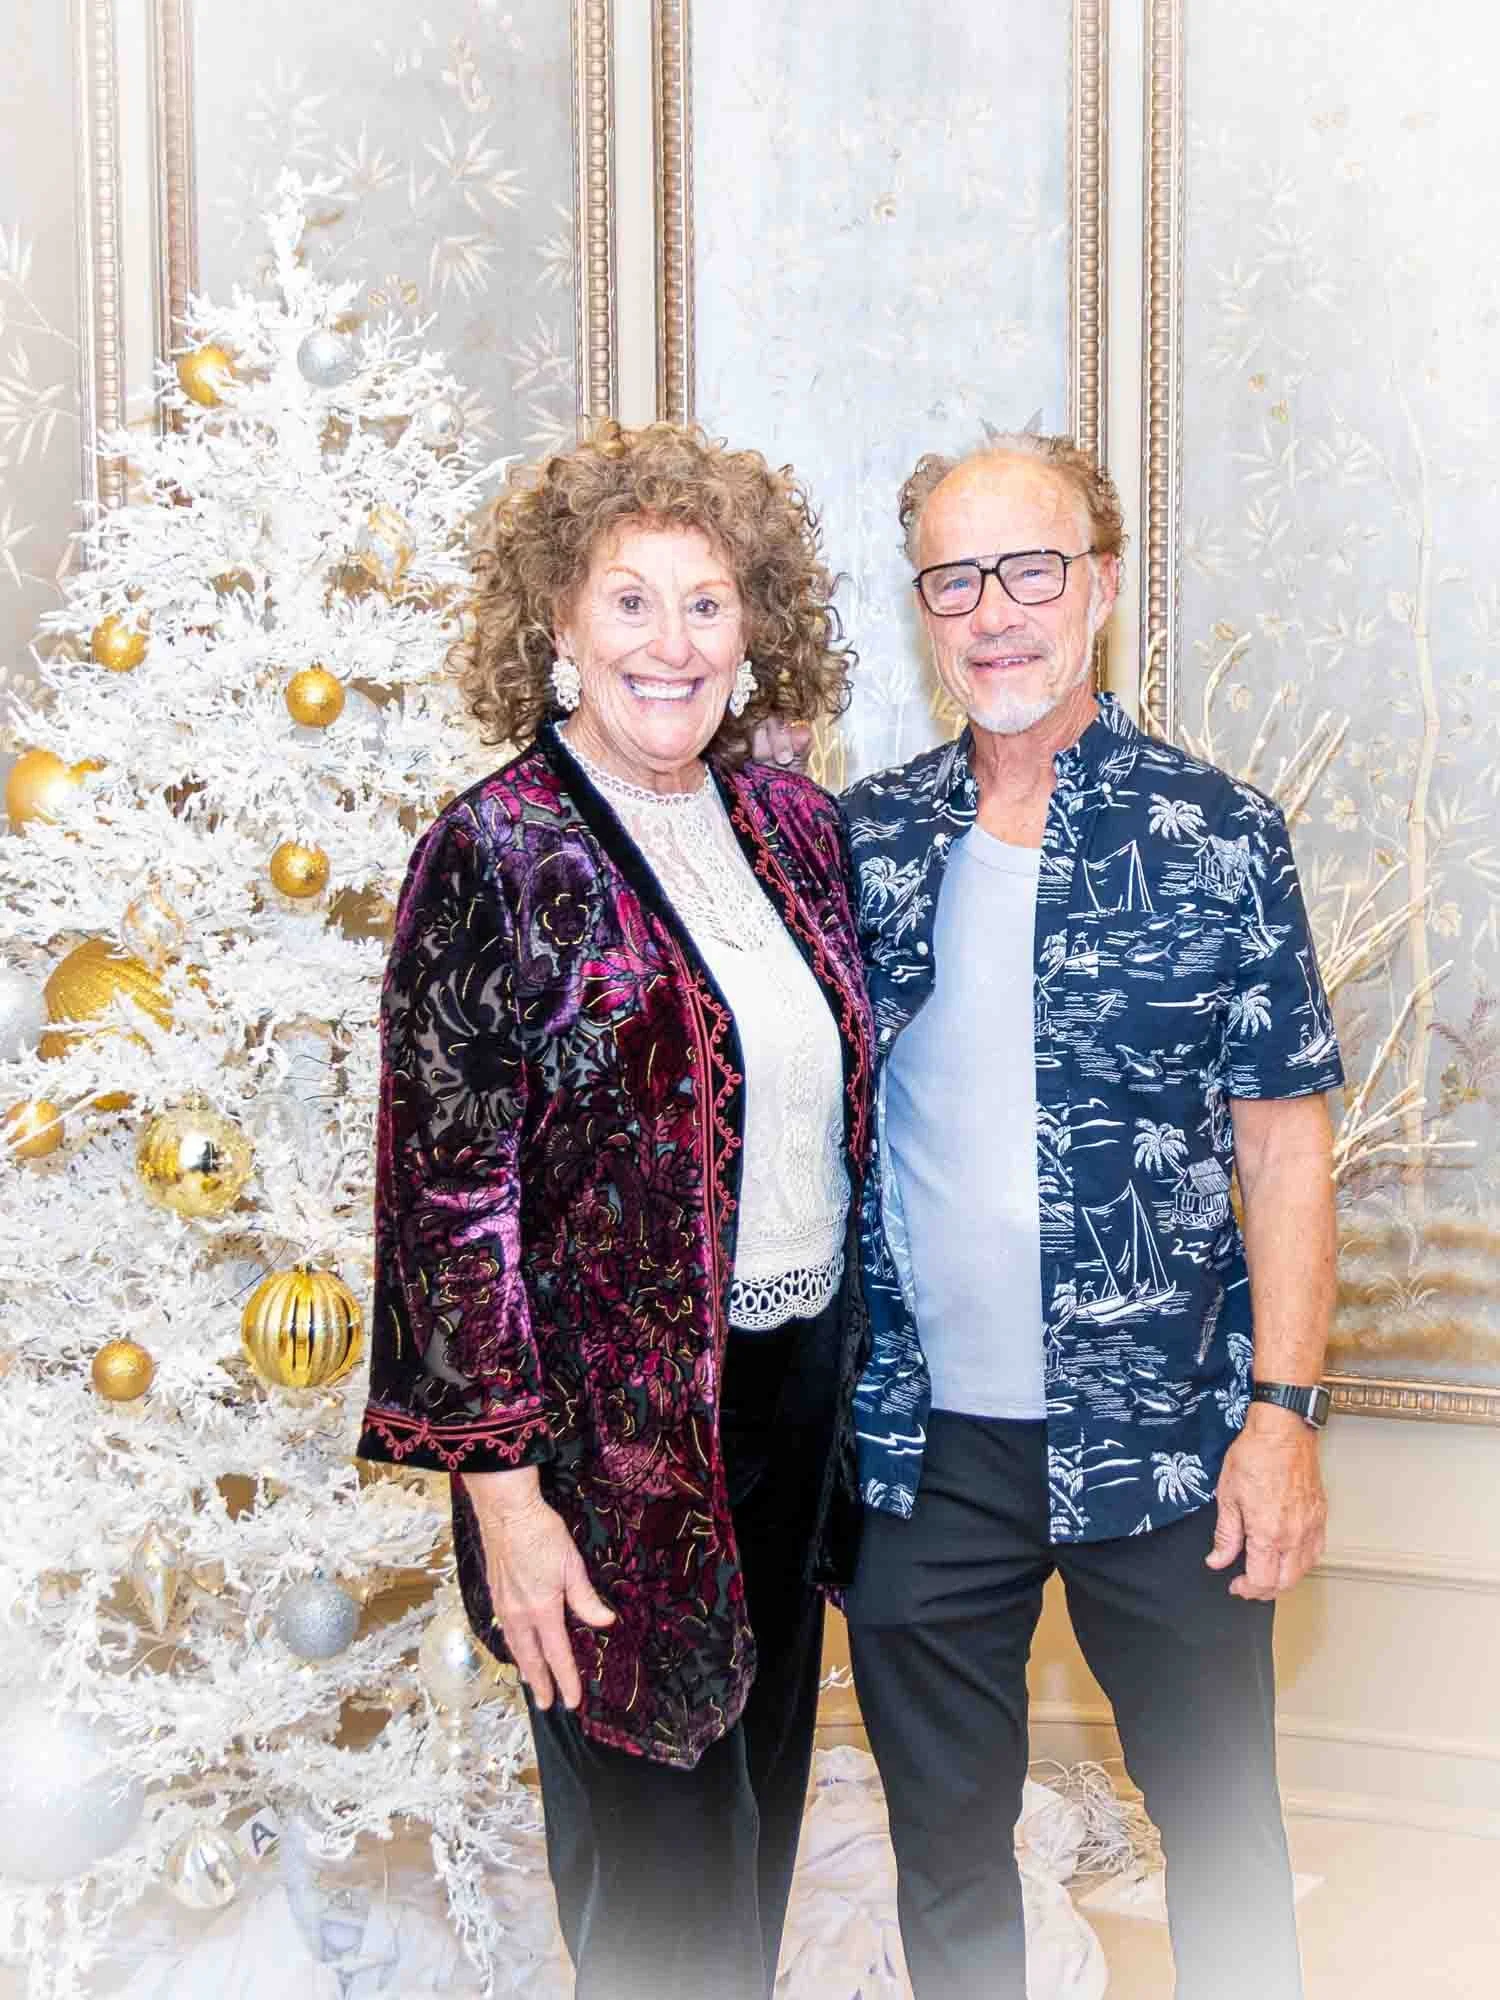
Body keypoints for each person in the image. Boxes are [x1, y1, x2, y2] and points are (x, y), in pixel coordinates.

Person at [357, 421, 874, 2000]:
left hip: (791, 1406)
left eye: (707, 603)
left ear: (751, 628)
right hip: (597, 1455)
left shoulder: (789, 829)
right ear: (560, 627)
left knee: (754, 1840)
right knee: (657, 1893)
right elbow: (444, 1201)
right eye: (630, 601)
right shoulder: (492, 853)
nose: (672, 643)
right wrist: (504, 1507)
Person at [841, 433, 1342, 2000]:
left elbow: (1286, 1153)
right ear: (924, 606)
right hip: (927, 1458)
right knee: (946, 1859)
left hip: (1171, 1436)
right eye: (955, 577)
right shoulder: (862, 843)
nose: (995, 610)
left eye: (1031, 569)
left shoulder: (1219, 835)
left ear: (1102, 586)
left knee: (1225, 1841)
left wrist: (1284, 1418)